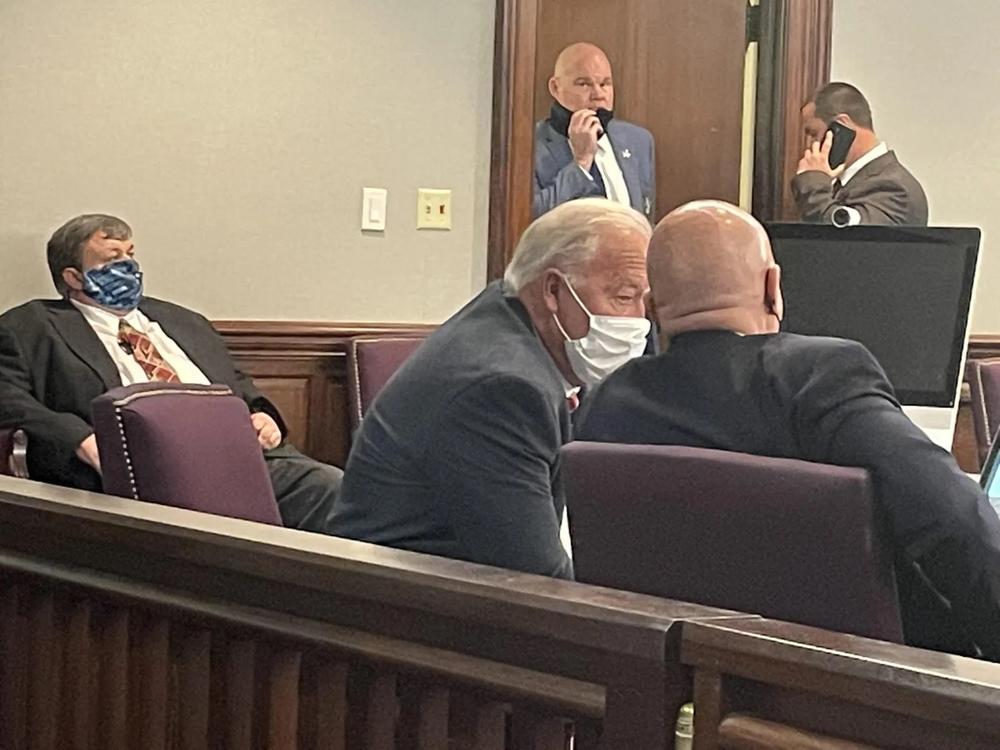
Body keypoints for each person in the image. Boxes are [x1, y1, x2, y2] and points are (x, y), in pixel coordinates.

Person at [575, 200, 1000, 660]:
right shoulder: (819, 375)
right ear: (773, 287)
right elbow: (951, 522)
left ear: (653, 308)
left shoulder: (605, 403)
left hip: (671, 696)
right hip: (855, 698)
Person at [332, 198, 651, 578]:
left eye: (645, 302)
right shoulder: (504, 389)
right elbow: (540, 583)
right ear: (552, 289)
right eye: (624, 297)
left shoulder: (504, 320)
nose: (639, 322)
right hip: (407, 614)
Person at [0, 214, 342, 534]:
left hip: (238, 454)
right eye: (111, 258)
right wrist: (80, 439)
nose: (128, 266)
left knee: (333, 488)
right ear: (73, 276)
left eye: (131, 254)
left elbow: (236, 382)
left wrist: (261, 414)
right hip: (145, 468)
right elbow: (9, 398)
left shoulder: (184, 321)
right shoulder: (31, 327)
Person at [534, 42, 655, 221]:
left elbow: (646, 217)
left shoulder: (638, 141)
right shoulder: (530, 145)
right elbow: (534, 220)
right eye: (584, 84)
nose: (598, 94)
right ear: (555, 88)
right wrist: (581, 162)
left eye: (605, 84)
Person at [792, 82, 928, 226]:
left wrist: (813, 182)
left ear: (842, 126)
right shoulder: (841, 185)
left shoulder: (894, 188)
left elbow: (845, 239)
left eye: (814, 134)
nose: (811, 146)